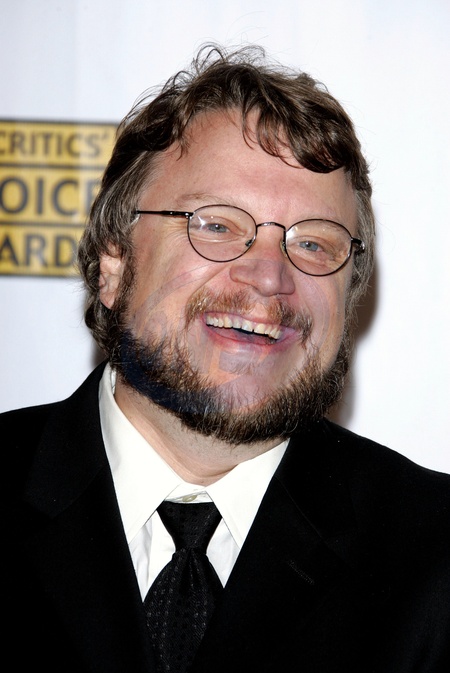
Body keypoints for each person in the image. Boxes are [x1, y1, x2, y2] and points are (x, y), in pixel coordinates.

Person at [3, 44, 450, 673]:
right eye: (216, 225)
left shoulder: (434, 553)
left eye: (314, 243)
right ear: (114, 263)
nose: (269, 276)